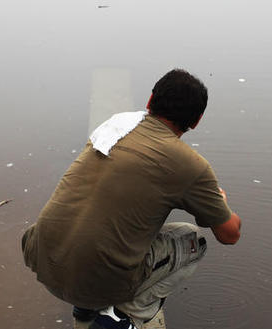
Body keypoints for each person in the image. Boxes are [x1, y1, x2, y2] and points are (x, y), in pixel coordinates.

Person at [21, 69, 242, 329]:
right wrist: (220, 202)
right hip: (96, 281)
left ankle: (84, 311)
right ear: (196, 121)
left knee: (110, 219)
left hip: (41, 256)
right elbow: (229, 235)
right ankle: (126, 317)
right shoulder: (191, 165)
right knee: (194, 239)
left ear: (149, 101)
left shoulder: (117, 125)